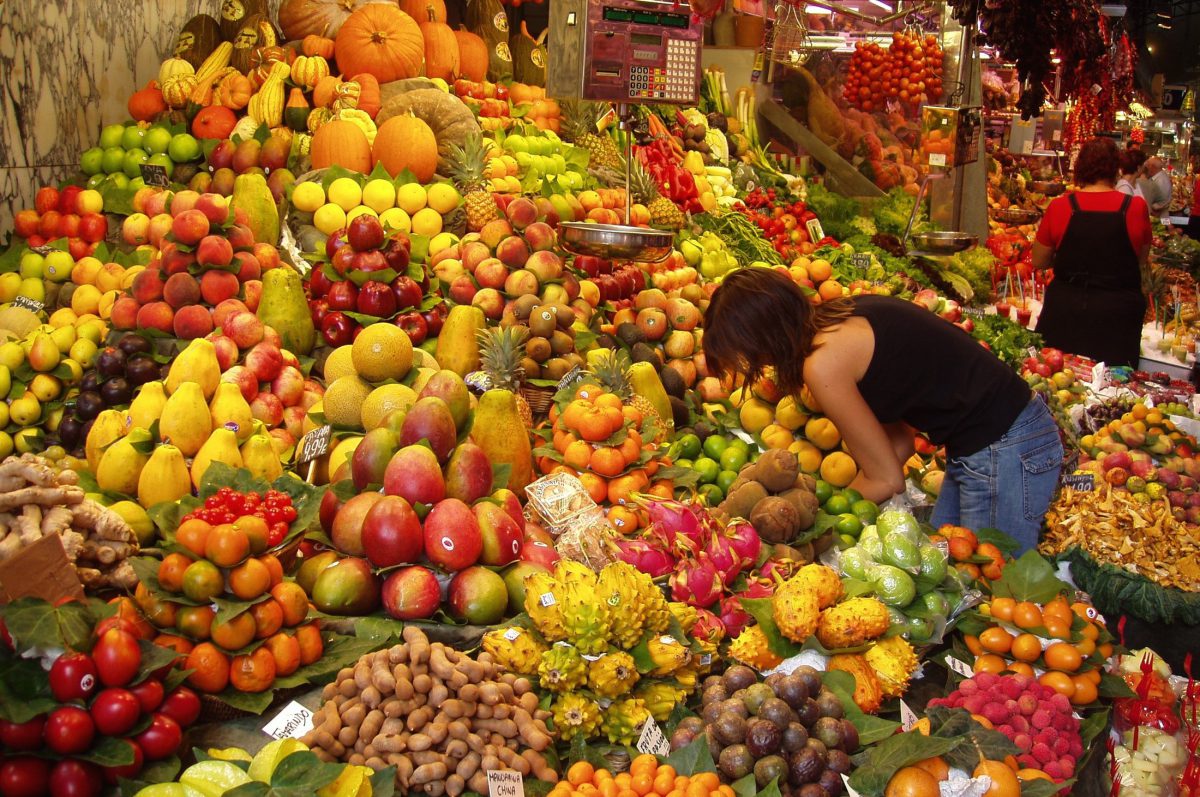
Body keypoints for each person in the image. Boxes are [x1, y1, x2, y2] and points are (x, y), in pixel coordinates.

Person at [702, 268, 1062, 553]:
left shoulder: (823, 362)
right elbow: (900, 446)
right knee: (950, 569)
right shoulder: (844, 318)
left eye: (749, 355)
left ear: (763, 338)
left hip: (1005, 448)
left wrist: (814, 519)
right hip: (990, 444)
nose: (759, 365)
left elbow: (886, 479)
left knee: (993, 591)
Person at [1032, 137, 1151, 367]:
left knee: (1059, 381)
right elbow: (1141, 259)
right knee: (1116, 390)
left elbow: (1039, 260)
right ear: (1115, 168)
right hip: (1117, 317)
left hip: (1067, 310)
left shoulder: (1060, 206)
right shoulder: (1135, 208)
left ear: (1080, 168)